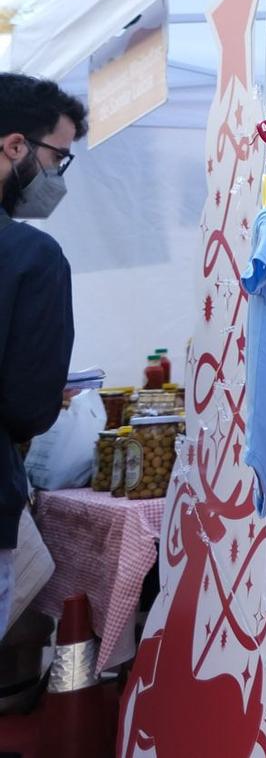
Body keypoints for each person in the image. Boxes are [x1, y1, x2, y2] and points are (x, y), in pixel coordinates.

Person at [0, 75, 82, 627]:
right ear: (15, 145)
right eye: (60, 157)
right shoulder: (32, 256)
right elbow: (28, 406)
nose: (56, 176)